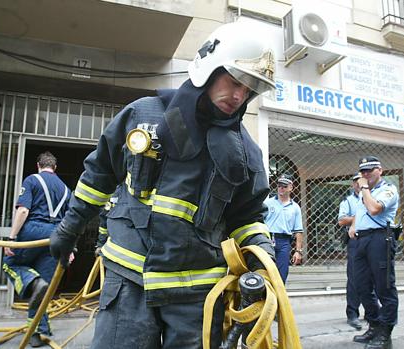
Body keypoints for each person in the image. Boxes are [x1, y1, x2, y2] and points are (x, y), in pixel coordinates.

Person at [50, 17, 277, 349]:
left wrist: (263, 255)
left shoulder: (246, 154)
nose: (240, 95)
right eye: (234, 81)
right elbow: (99, 176)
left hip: (197, 295)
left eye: (250, 88)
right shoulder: (142, 116)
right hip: (129, 284)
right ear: (209, 69)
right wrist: (70, 228)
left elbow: (246, 219)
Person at [2, 151, 73, 347]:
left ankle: (32, 283)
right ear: (55, 168)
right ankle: (38, 333)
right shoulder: (67, 190)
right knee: (45, 289)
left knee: (10, 263)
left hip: (33, 231)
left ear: (38, 165)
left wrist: (12, 238)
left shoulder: (32, 180)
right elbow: (72, 221)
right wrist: (70, 248)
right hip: (57, 237)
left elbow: (23, 210)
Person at [349, 156, 399, 349]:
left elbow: (374, 208)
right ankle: (374, 324)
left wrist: (364, 188)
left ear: (380, 170)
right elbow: (361, 212)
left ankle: (385, 332)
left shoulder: (388, 190)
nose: (366, 174)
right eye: (363, 171)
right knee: (361, 285)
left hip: (380, 239)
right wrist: (353, 225)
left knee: (384, 286)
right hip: (362, 240)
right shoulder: (366, 192)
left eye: (370, 170)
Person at [338, 172, 377, 331]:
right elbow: (341, 220)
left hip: (372, 238)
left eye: (360, 181)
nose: (358, 184)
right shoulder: (348, 201)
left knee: (373, 276)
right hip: (355, 239)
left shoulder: (373, 196)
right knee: (354, 277)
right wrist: (358, 217)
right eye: (355, 181)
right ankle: (352, 314)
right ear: (353, 184)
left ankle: (371, 313)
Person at [263, 173, 304, 284]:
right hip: (267, 239)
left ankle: (279, 299)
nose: (281, 188)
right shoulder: (267, 203)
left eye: (284, 186)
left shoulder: (295, 207)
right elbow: (259, 221)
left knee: (282, 273)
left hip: (284, 241)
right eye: (279, 185)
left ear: (291, 187)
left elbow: (298, 231)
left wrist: (298, 251)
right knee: (265, 271)